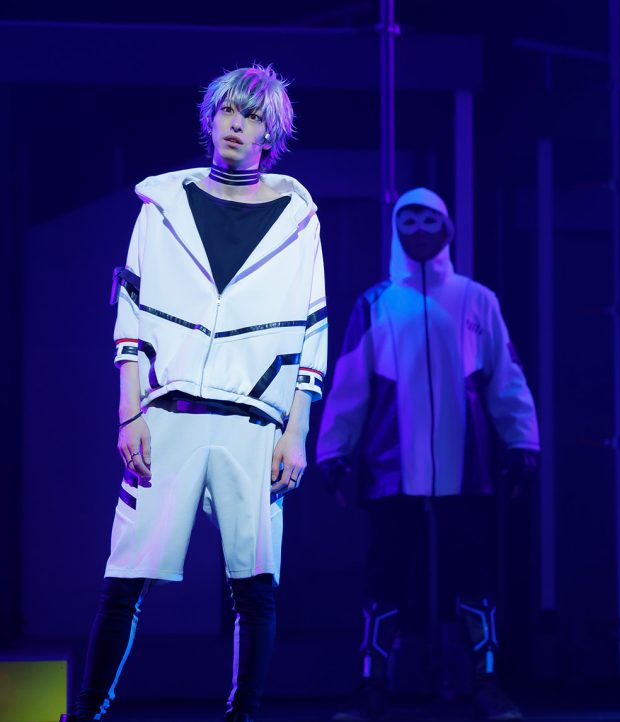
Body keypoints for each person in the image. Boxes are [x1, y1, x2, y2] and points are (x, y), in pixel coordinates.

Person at [60, 64, 327, 722]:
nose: (237, 124)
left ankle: (244, 716)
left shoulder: (298, 219)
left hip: (253, 421)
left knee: (254, 586)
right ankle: (87, 714)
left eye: (253, 116)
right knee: (125, 578)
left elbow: (311, 326)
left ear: (271, 134)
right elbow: (131, 312)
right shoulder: (163, 207)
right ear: (210, 119)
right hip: (168, 413)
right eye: (228, 111)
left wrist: (297, 430)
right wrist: (129, 412)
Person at [316, 187, 539, 721]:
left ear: (447, 228)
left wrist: (522, 440)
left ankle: (486, 682)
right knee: (385, 575)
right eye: (409, 220)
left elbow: (505, 376)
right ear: (396, 228)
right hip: (391, 460)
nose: (419, 230)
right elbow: (350, 382)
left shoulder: (477, 299)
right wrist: (334, 449)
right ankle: (372, 686)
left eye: (429, 220)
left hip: (466, 462)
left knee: (474, 573)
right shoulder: (375, 302)